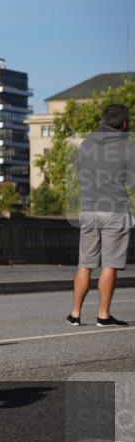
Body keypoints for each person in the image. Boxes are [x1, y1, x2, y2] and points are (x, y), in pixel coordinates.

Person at [67, 104, 133, 327]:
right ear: (124, 124)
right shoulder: (127, 149)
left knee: (85, 263)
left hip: (88, 209)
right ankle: (103, 315)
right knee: (109, 264)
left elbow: (79, 173)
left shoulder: (85, 145)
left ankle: (75, 314)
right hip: (115, 211)